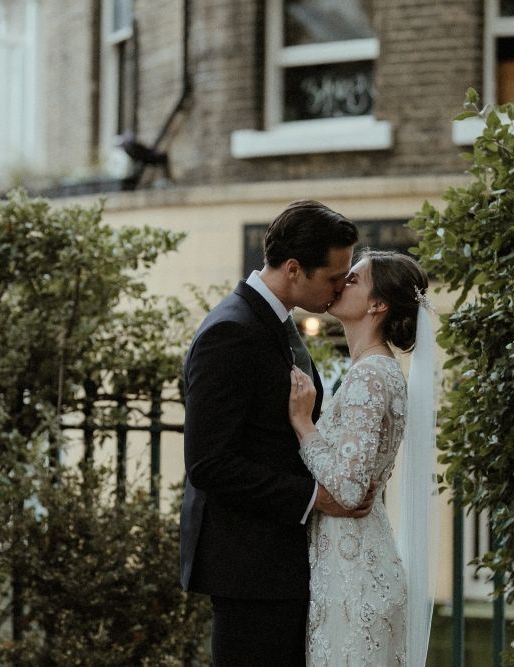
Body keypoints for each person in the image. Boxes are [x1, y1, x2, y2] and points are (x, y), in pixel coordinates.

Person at [180, 200, 379, 666]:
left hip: (280, 564)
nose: (337, 289)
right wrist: (316, 497)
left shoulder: (275, 321)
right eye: (332, 277)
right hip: (250, 568)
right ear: (294, 269)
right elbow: (209, 463)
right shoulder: (230, 331)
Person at [288, 249, 437, 666]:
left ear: (378, 304)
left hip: (354, 574)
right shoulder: (375, 370)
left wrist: (304, 424)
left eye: (352, 280)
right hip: (351, 561)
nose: (339, 283)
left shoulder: (371, 375)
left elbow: (350, 489)